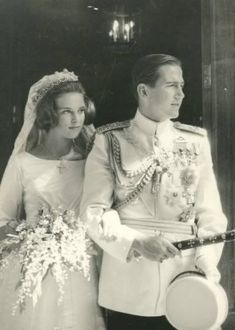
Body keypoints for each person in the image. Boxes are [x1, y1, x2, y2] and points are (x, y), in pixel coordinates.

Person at [80, 54, 227, 330]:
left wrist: (206, 262)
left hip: (186, 282)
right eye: (172, 86)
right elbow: (92, 213)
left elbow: (212, 216)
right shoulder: (109, 140)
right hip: (129, 284)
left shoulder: (196, 141)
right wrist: (136, 241)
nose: (181, 94)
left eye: (182, 86)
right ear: (144, 91)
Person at [0, 69, 106, 330]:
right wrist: (26, 235)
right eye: (66, 112)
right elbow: (2, 216)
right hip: (34, 265)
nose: (76, 119)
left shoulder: (91, 158)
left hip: (82, 262)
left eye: (81, 111)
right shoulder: (23, 162)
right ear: (48, 114)